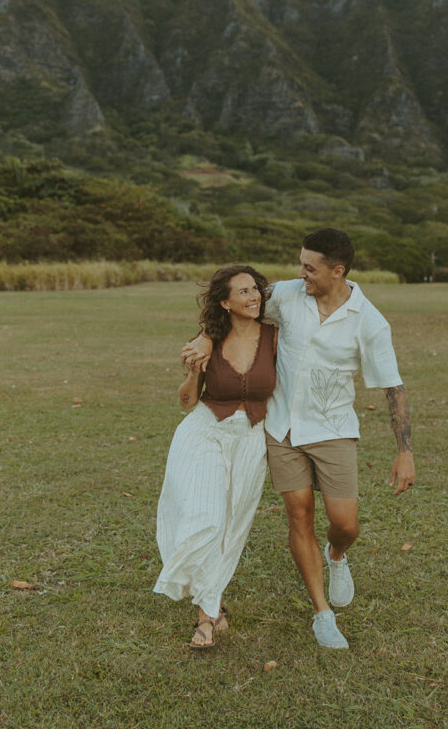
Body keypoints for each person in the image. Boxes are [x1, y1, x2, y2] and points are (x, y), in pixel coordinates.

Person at [182, 228, 415, 650]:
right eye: (301, 264)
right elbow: (233, 302)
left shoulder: (370, 321)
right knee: (300, 514)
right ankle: (322, 614)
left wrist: (405, 452)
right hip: (281, 429)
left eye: (310, 267)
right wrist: (204, 335)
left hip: (334, 430)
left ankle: (337, 555)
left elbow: (392, 388)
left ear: (337, 271)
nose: (300, 273)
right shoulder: (287, 295)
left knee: (345, 524)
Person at [154, 264, 278, 650]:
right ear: (224, 302)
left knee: (231, 526)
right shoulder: (207, 339)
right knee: (207, 519)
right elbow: (187, 401)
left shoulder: (276, 337)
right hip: (206, 432)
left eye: (254, 289)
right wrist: (194, 372)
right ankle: (206, 620)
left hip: (252, 439)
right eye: (242, 292)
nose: (253, 296)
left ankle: (215, 605)